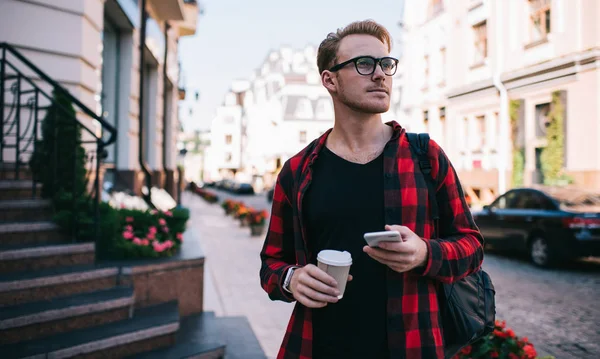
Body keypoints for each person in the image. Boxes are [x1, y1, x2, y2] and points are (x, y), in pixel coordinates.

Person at [259, 19, 484, 359]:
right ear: (330, 80)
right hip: (319, 346)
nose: (380, 75)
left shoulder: (426, 156)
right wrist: (292, 279)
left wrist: (425, 253)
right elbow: (271, 263)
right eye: (364, 64)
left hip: (412, 346)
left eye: (386, 64)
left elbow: (472, 246)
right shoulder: (297, 171)